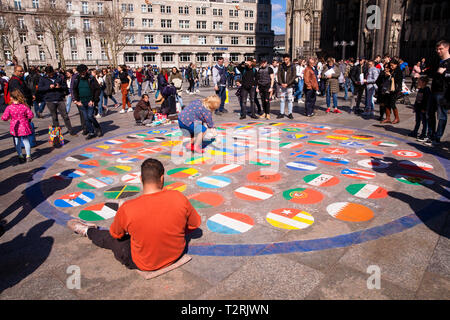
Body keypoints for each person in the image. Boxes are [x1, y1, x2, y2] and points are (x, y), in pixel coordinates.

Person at [67, 158, 202, 271]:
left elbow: (116, 234)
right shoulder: (178, 197)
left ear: (140, 178)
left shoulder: (129, 208)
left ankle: (88, 231)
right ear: (162, 178)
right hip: (176, 254)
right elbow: (194, 224)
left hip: (145, 263)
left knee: (111, 239)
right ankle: (125, 222)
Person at [38, 66, 76, 136]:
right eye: (49, 74)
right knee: (54, 117)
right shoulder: (43, 78)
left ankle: (71, 131)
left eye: (52, 73)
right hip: (50, 100)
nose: (51, 75)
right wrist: (49, 87)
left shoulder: (59, 77)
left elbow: (65, 87)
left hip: (59, 99)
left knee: (65, 116)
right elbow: (40, 89)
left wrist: (60, 87)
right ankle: (57, 133)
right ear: (46, 73)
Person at [425, 40, 450, 147]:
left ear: (447, 48)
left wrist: (444, 73)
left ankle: (437, 137)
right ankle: (431, 135)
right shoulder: (438, 61)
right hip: (434, 90)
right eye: (437, 49)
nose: (438, 51)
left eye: (440, 49)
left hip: (443, 92)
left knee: (442, 116)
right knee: (429, 113)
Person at [1, 90, 34, 163]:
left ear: (12, 98)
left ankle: (20, 156)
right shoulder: (24, 106)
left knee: (17, 142)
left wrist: (10, 117)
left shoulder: (9, 107)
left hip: (15, 126)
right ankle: (28, 156)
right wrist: (25, 117)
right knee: (26, 141)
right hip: (24, 125)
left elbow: (4, 118)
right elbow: (31, 115)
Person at [72, 64, 102, 139]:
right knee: (86, 118)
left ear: (86, 71)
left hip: (90, 101)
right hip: (81, 102)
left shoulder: (91, 78)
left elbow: (97, 89)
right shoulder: (76, 79)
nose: (83, 73)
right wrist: (76, 100)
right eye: (81, 72)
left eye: (84, 72)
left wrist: (93, 100)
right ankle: (91, 132)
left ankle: (97, 127)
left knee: (90, 116)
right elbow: (74, 89)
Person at [380, 60, 403, 124]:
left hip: (394, 89)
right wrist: (386, 74)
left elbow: (397, 80)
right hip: (388, 89)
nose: (391, 66)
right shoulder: (391, 70)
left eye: (392, 65)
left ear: (396, 65)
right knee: (386, 103)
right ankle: (388, 118)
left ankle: (397, 118)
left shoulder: (398, 71)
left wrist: (390, 75)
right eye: (390, 65)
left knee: (392, 104)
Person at [409, 77, 431, 141]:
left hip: (423, 109)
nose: (418, 83)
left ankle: (423, 134)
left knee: (424, 122)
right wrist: (415, 106)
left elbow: (427, 100)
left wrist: (425, 108)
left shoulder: (427, 90)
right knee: (417, 121)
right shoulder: (420, 89)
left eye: (419, 82)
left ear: (424, 83)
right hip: (418, 108)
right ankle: (415, 132)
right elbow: (417, 99)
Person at [277, 54, 296, 119]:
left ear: (289, 59)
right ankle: (281, 113)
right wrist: (281, 83)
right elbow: (278, 74)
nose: (285, 61)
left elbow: (294, 76)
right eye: (284, 60)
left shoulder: (293, 66)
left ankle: (290, 113)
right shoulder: (281, 65)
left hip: (289, 85)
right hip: (282, 85)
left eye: (286, 59)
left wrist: (287, 84)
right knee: (282, 99)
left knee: (290, 99)